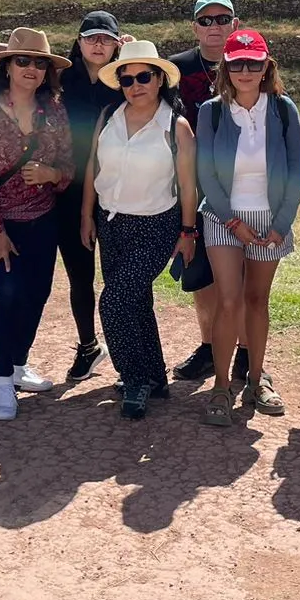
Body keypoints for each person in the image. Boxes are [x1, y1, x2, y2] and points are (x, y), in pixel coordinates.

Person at [80, 42, 200, 418]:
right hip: (111, 223)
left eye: (144, 76)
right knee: (134, 300)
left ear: (160, 79)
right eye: (127, 78)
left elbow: (188, 185)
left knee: (113, 302)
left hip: (156, 225)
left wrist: (187, 232)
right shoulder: (109, 115)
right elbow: (92, 169)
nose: (136, 85)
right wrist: (86, 215)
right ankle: (154, 376)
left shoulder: (175, 125)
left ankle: (133, 380)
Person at [194, 28, 300, 425]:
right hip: (225, 216)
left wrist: (282, 223)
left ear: (265, 67)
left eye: (253, 63)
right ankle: (222, 386)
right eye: (237, 63)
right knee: (229, 300)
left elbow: (297, 170)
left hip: (270, 218)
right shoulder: (212, 111)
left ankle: (257, 380)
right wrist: (232, 220)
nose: (245, 70)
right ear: (226, 66)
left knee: (258, 300)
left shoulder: (282, 108)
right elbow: (204, 172)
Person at [0, 28, 75, 422]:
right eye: (23, 61)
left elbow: (68, 166)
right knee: (8, 292)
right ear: (7, 66)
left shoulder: (54, 110)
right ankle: (4, 377)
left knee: (37, 294)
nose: (31, 69)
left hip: (41, 220)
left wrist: (50, 175)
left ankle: (19, 361)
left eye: (40, 63)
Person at [168, 0, 250, 387]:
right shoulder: (178, 69)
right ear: (194, 26)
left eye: (222, 18)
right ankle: (208, 346)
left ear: (235, 23)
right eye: (206, 20)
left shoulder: (253, 61)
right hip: (197, 187)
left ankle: (250, 354)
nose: (214, 26)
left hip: (249, 186)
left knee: (247, 276)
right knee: (203, 276)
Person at [55, 11, 125, 382]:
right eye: (91, 37)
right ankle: (88, 346)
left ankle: (129, 351)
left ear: (118, 42)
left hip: (117, 190)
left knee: (120, 280)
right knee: (80, 276)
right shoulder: (60, 78)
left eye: (106, 38)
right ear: (79, 41)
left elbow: (167, 91)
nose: (98, 44)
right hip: (68, 188)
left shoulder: (129, 78)